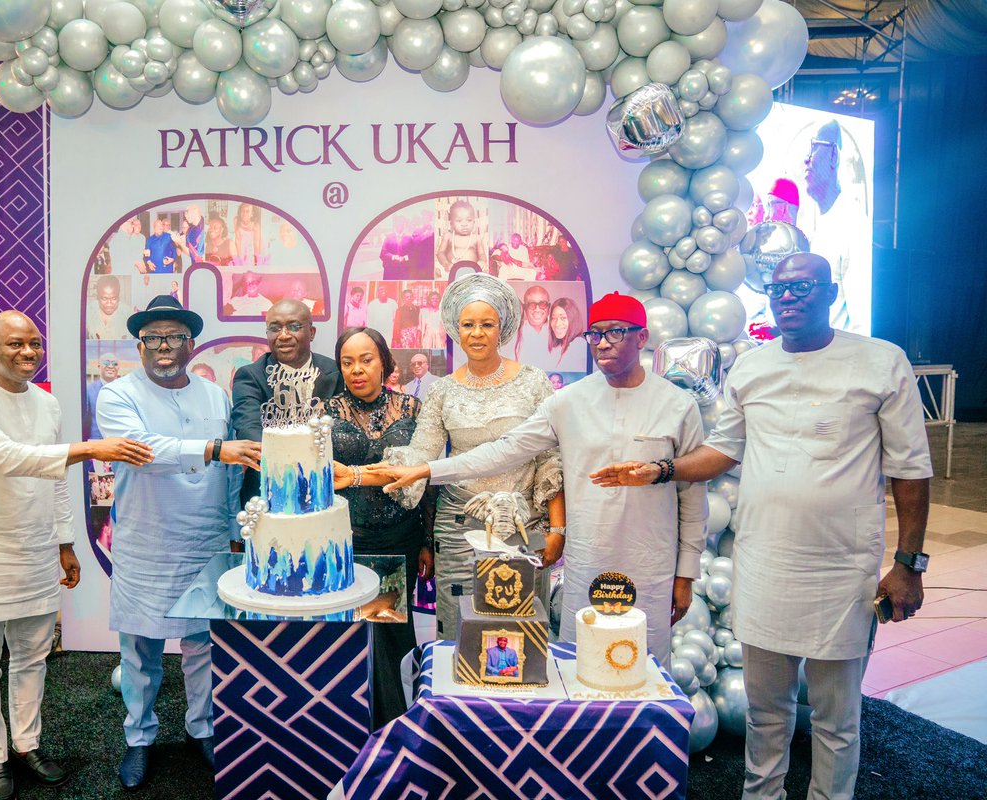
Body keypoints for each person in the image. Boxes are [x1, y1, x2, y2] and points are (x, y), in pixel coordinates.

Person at [590, 253, 932, 800]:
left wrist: (909, 564)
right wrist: (659, 470)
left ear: (831, 292)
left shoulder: (880, 361)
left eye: (802, 287)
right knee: (765, 712)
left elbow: (911, 472)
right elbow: (724, 449)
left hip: (841, 566)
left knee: (835, 716)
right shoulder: (753, 367)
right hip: (764, 561)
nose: (788, 297)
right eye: (779, 288)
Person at [371, 291, 705, 663]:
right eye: (595, 335)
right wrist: (424, 469)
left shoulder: (678, 405)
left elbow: (692, 495)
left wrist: (686, 573)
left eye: (616, 333)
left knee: (641, 663)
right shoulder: (569, 401)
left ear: (642, 338)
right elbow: (504, 450)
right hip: (586, 555)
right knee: (574, 662)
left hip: (649, 561)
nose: (603, 343)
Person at [0, 311, 153, 800]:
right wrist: (93, 447)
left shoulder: (47, 403)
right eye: (15, 344)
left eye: (35, 343)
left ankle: (27, 744)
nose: (28, 353)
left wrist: (65, 543)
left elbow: (54, 478)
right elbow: (9, 457)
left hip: (36, 549)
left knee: (33, 658)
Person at [96, 295, 262, 788]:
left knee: (202, 644)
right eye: (153, 339)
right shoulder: (118, 394)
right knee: (140, 649)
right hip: (146, 540)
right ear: (140, 345)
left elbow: (233, 471)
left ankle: (202, 729)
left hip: (205, 538)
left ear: (191, 344)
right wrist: (213, 448)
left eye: (173, 337)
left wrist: (235, 530)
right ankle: (139, 739)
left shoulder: (215, 396)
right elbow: (143, 451)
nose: (163, 347)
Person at [372, 272, 566, 639]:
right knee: (462, 632)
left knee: (520, 631)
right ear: (456, 330)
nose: (477, 333)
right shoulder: (443, 390)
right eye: (468, 325)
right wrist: (369, 471)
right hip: (459, 526)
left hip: (524, 523)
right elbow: (422, 456)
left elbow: (551, 460)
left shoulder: (533, 380)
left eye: (486, 324)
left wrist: (557, 528)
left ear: (502, 328)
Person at [325, 327, 433, 726]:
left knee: (391, 633)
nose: (357, 370)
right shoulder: (326, 413)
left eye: (366, 359)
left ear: (385, 362)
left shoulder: (412, 409)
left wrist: (427, 541)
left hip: (400, 539)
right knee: (350, 635)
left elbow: (427, 481)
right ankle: (351, 723)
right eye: (347, 362)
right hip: (346, 540)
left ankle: (397, 726)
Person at [231, 299, 340, 504]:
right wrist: (295, 466)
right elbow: (249, 429)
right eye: (274, 328)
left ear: (312, 332)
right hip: (268, 492)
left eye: (293, 326)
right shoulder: (250, 377)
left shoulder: (335, 372)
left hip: (326, 491)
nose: (283, 335)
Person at [796, 120, 870, 333]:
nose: (806, 159)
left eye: (813, 148)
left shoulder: (853, 223)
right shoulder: (819, 221)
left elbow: (862, 319)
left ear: (834, 156)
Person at [436, 200, 487, 280]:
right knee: (438, 273)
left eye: (469, 220)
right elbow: (440, 253)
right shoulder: (448, 236)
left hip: (472, 271)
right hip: (451, 270)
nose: (464, 224)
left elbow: (482, 254)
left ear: (474, 222)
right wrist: (446, 263)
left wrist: (482, 261)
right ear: (451, 224)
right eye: (459, 221)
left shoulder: (476, 238)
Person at [513, 285, 551, 367]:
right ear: (525, 307)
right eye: (532, 304)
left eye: (543, 304)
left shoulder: (558, 332)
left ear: (549, 307)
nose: (537, 309)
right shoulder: (514, 334)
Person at [86, 352, 121, 438]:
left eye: (114, 364)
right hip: (96, 442)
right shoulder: (89, 390)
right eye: (106, 363)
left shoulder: (125, 390)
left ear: (118, 368)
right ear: (99, 367)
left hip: (120, 442)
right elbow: (85, 419)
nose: (110, 366)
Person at [547, 296, 588, 370]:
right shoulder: (557, 347)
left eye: (563, 318)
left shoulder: (579, 344)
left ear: (573, 319)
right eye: (553, 318)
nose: (557, 324)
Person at [87, 275, 127, 340]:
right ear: (98, 297)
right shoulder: (89, 311)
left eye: (114, 298)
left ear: (118, 297)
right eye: (104, 298)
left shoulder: (127, 314)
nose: (109, 303)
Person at [379, 215, 413, 280]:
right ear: (395, 225)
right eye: (398, 224)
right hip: (391, 270)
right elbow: (383, 253)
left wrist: (405, 258)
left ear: (404, 225)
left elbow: (413, 253)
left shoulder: (409, 239)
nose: (400, 226)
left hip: (404, 271)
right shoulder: (388, 238)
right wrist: (393, 257)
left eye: (401, 224)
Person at [232, 202, 262, 266]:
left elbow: (256, 242)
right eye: (242, 211)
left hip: (251, 248)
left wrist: (257, 260)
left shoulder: (255, 225)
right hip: (240, 247)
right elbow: (237, 240)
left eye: (247, 211)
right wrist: (239, 258)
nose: (244, 213)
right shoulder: (236, 220)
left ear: (252, 213)